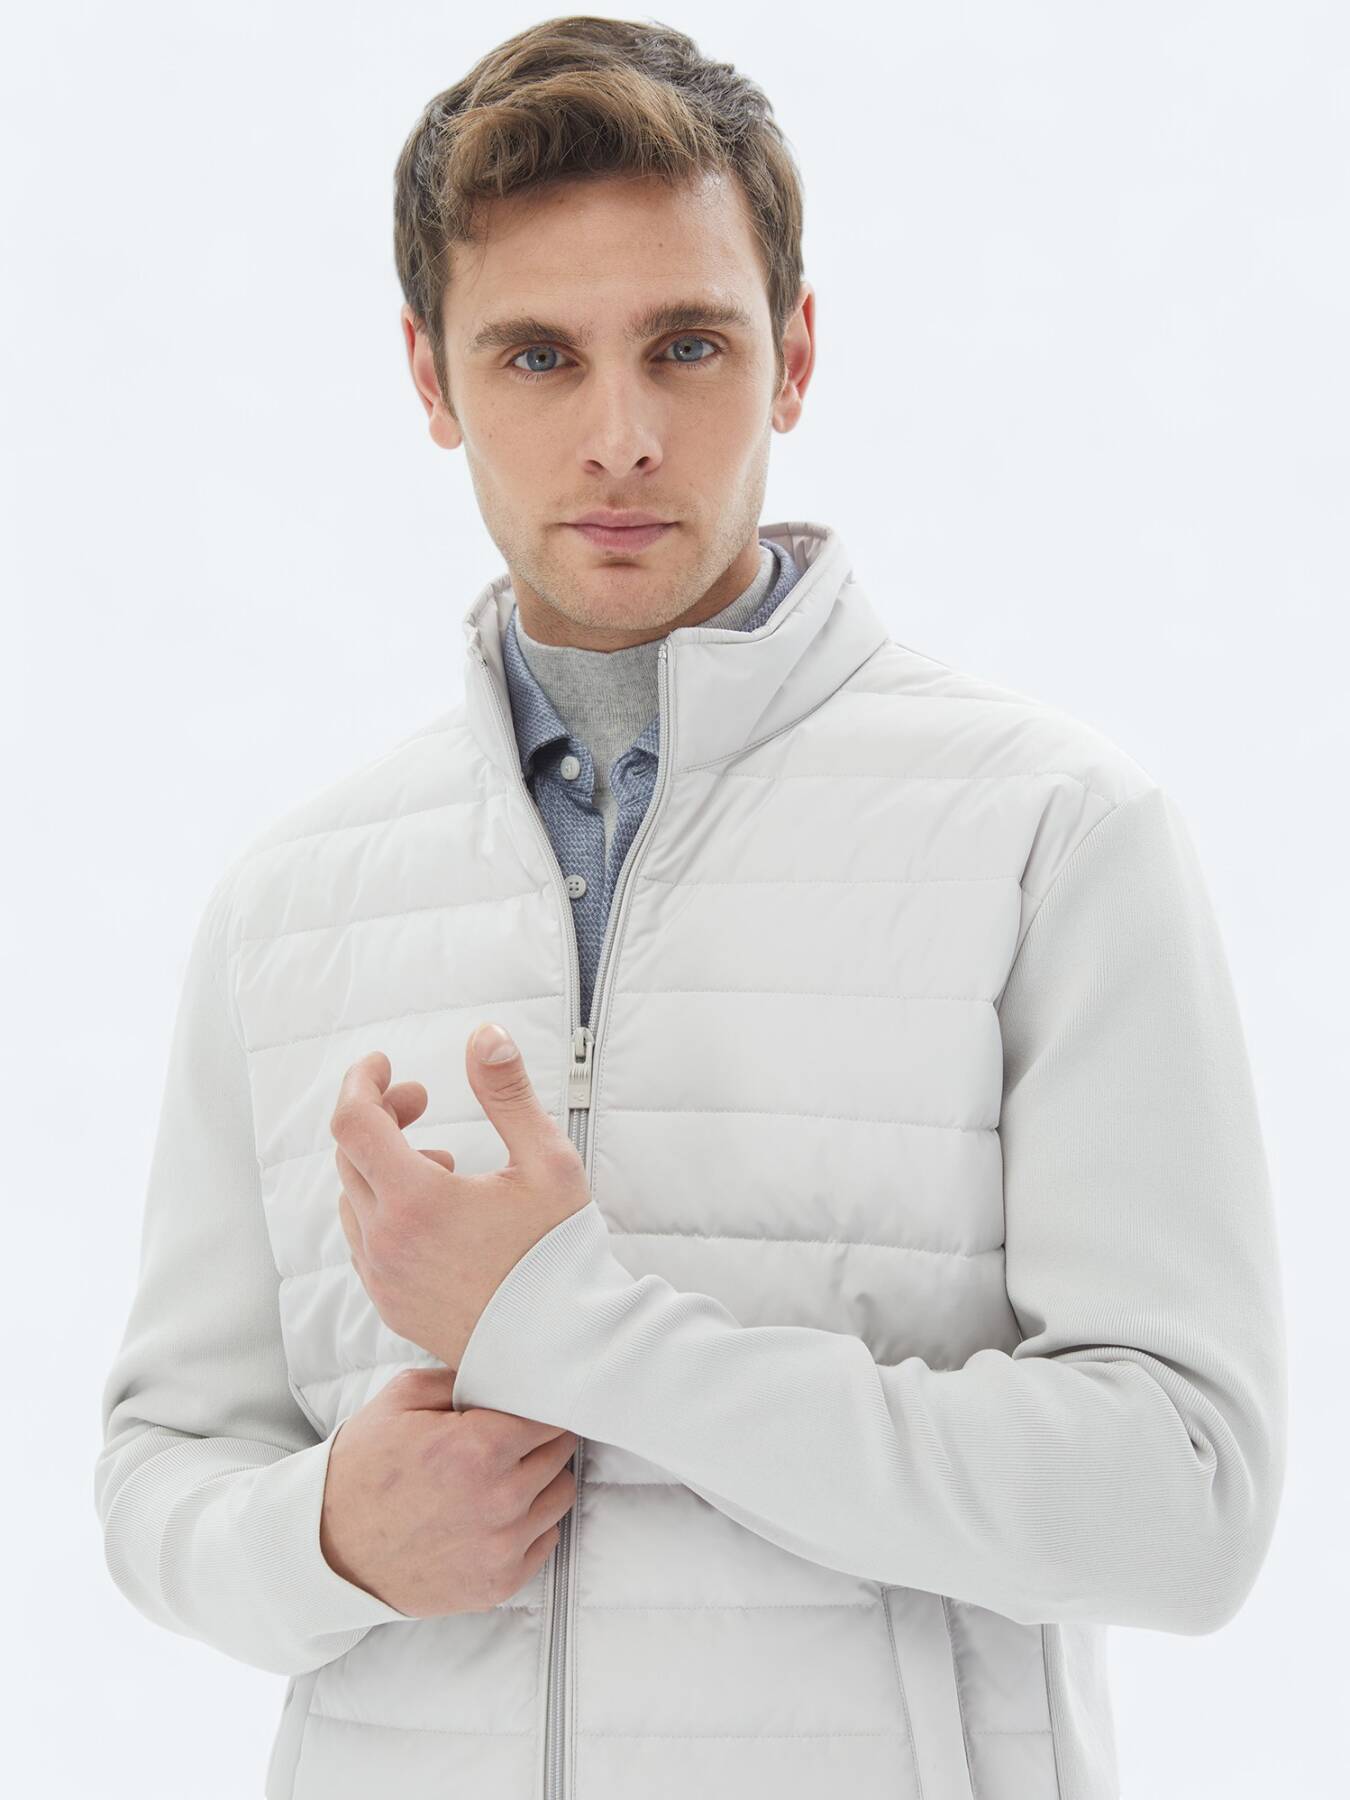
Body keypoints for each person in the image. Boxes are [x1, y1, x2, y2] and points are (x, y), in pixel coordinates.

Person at [94, 16, 1288, 1800]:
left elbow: (1182, 1509)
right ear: (428, 379)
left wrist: (572, 1328)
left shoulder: (1049, 835)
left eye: (686, 344)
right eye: (535, 356)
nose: (620, 437)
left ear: (792, 354)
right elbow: (159, 1472)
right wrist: (323, 1539)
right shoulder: (292, 905)